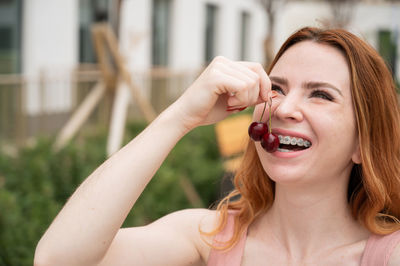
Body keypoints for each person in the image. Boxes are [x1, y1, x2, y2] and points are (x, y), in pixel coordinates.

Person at [34, 27, 400, 265]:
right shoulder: (208, 239)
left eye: (320, 94)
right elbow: (57, 259)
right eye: (277, 88)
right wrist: (180, 117)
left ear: (362, 142)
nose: (285, 108)